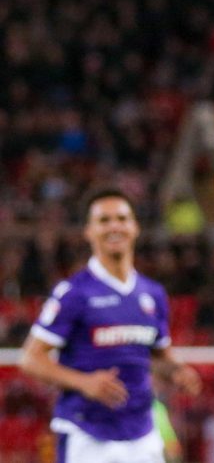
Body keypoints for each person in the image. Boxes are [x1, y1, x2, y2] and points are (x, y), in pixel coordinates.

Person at [20, 188, 202, 463]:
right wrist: (83, 382)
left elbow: (157, 356)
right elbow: (31, 358)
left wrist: (178, 372)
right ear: (88, 231)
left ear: (135, 227)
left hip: (142, 434)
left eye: (122, 218)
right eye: (104, 221)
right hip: (86, 433)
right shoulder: (74, 293)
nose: (114, 226)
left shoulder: (152, 294)